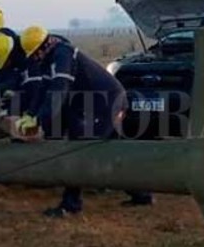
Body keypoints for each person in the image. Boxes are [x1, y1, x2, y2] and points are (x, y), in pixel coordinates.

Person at [13, 26, 153, 217]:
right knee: (112, 151)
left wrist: (38, 119)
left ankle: (70, 205)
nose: (34, 59)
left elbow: (58, 92)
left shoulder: (62, 55)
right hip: (94, 104)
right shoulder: (49, 58)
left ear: (43, 47)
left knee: (80, 149)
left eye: (35, 54)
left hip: (106, 103)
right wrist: (30, 113)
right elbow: (43, 90)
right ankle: (142, 195)